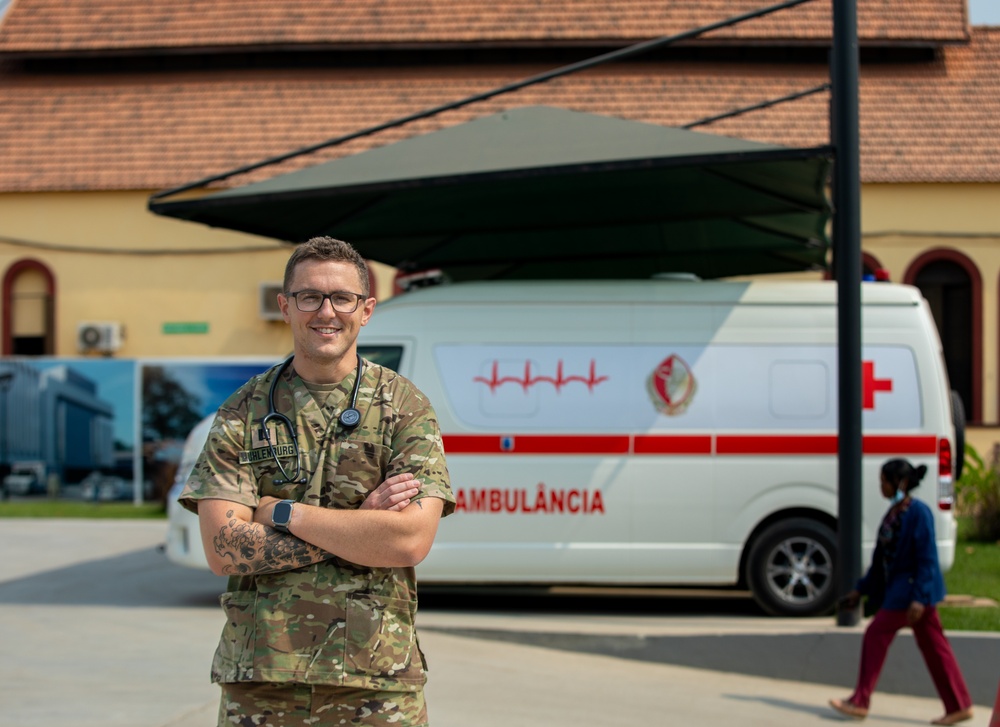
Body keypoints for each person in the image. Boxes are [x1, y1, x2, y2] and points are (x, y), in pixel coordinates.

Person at [180, 236, 455, 727]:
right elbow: (224, 549)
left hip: (377, 683)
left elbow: (409, 540)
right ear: (285, 306)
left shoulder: (403, 407)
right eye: (309, 296)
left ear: (366, 309)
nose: (326, 311)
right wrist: (361, 528)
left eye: (342, 297)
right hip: (263, 682)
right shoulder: (243, 412)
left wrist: (284, 514)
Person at [829, 458, 973, 725]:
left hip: (910, 595)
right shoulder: (895, 513)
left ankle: (860, 701)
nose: (881, 486)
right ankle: (959, 705)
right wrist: (859, 591)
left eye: (885, 480)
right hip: (904, 593)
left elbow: (927, 559)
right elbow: (881, 560)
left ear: (901, 483)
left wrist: (919, 597)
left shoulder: (919, 513)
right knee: (935, 648)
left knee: (876, 634)